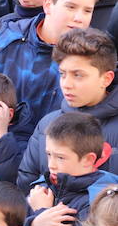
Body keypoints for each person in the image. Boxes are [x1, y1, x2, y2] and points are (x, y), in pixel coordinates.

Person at [0, 0, 98, 133]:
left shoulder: (93, 59)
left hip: (49, 154)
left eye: (87, 10)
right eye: (71, 7)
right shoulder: (4, 40)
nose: (79, 18)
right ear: (48, 5)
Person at [18, 27, 118, 191]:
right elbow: (26, 184)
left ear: (106, 78)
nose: (66, 84)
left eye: (78, 75)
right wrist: (39, 214)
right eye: (63, 74)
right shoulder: (47, 124)